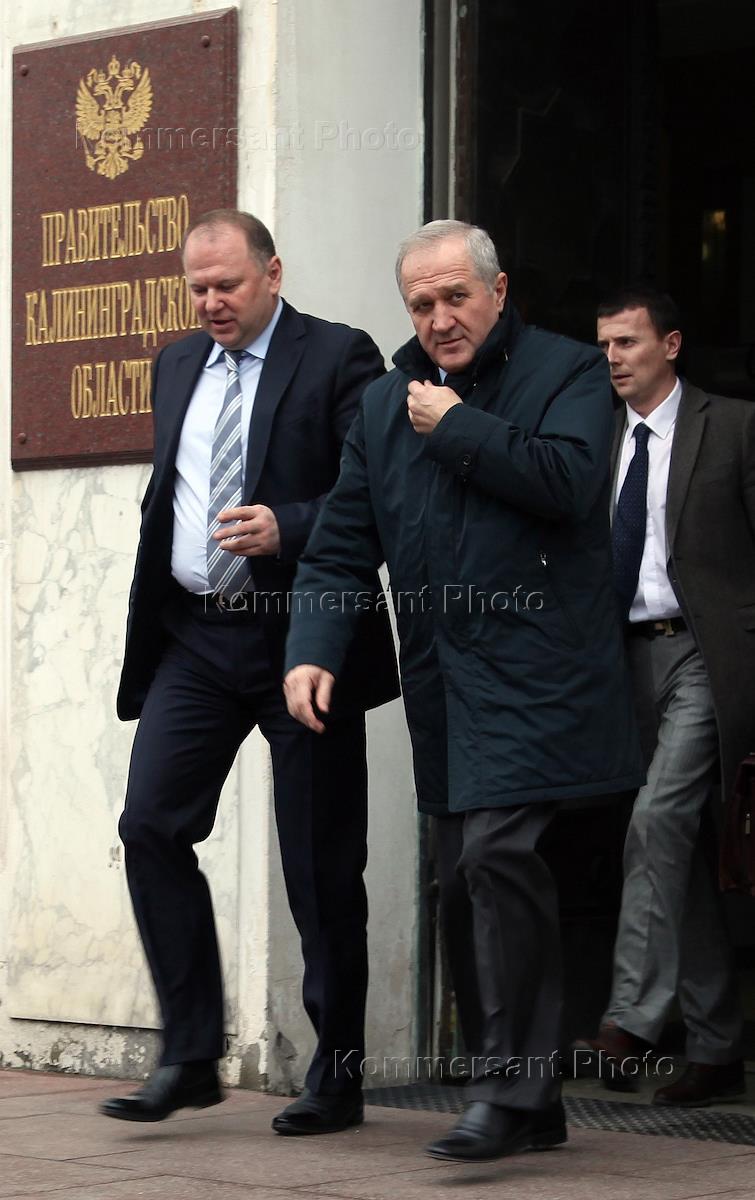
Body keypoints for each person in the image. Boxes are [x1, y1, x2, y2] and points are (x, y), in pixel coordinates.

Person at [284, 219, 644, 1161]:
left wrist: (456, 429)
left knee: (495, 856)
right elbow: (340, 543)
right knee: (460, 882)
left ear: (498, 291)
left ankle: (507, 1090)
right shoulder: (382, 403)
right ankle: (532, 1105)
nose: (439, 318)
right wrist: (312, 647)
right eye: (421, 304)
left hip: (540, 672)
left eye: (455, 297)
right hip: (444, 680)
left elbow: (570, 482)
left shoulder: (568, 371)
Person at [101, 209, 398, 1133]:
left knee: (318, 863)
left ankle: (335, 1076)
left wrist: (289, 527)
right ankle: (190, 1054)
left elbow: (375, 493)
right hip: (195, 638)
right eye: (196, 288)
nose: (210, 302)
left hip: (299, 640)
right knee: (149, 825)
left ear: (272, 272)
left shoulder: (339, 356)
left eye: (226, 283)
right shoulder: (175, 365)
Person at [581, 286, 755, 1105]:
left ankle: (631, 1017)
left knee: (657, 821)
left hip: (703, 655)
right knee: (675, 850)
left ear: (671, 344)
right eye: (604, 346)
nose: (613, 358)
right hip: (623, 661)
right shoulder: (594, 435)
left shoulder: (734, 426)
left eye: (627, 342)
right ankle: (717, 1047)